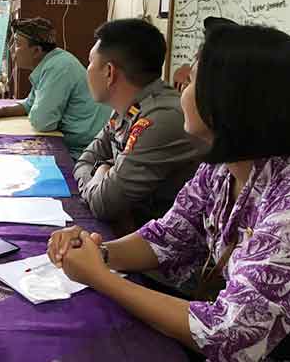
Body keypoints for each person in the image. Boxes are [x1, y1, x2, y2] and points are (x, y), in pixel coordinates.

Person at [48, 23, 290, 362]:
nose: (182, 86)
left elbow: (229, 332)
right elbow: (168, 237)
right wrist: (97, 253)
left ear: (229, 100)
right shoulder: (222, 164)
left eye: (193, 80)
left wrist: (101, 278)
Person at [73, 19, 202, 233]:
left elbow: (103, 203)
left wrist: (102, 170)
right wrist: (101, 174)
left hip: (164, 250)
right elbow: (85, 160)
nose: (87, 70)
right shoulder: (128, 108)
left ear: (109, 72)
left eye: (89, 62)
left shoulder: (160, 119)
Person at [0, 17, 110, 160]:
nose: (11, 49)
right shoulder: (50, 63)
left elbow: (42, 122)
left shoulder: (59, 67)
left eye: (16, 44)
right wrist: (1, 111)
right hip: (75, 144)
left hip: (82, 151)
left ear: (36, 50)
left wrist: (36, 110)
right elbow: (30, 103)